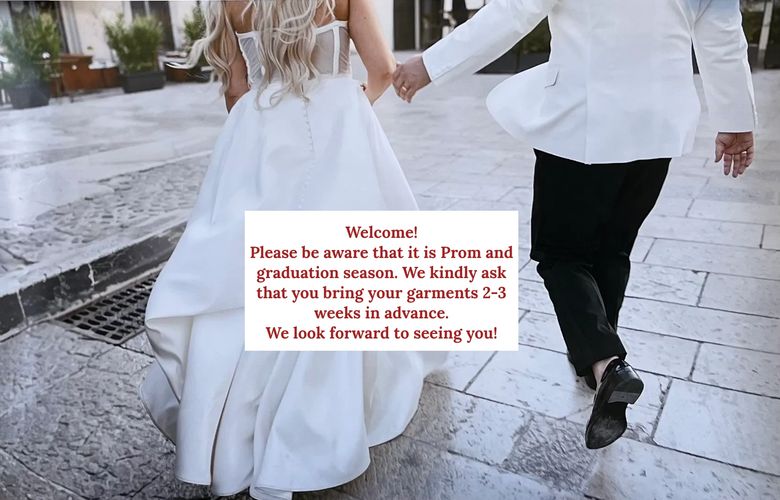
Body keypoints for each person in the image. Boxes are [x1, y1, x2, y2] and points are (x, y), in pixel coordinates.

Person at [393, 0, 756, 449]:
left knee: (560, 252)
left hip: (585, 119)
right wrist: (736, 120)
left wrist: (428, 66)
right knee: (613, 247)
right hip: (659, 125)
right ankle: (595, 363)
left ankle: (606, 363)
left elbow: (511, 13)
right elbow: (723, 32)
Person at [139, 1, 445, 498]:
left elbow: (236, 91)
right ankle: (313, 428)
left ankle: (226, 430)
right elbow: (383, 70)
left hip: (258, 136)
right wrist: (343, 114)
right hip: (337, 131)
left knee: (243, 274)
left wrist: (269, 115)